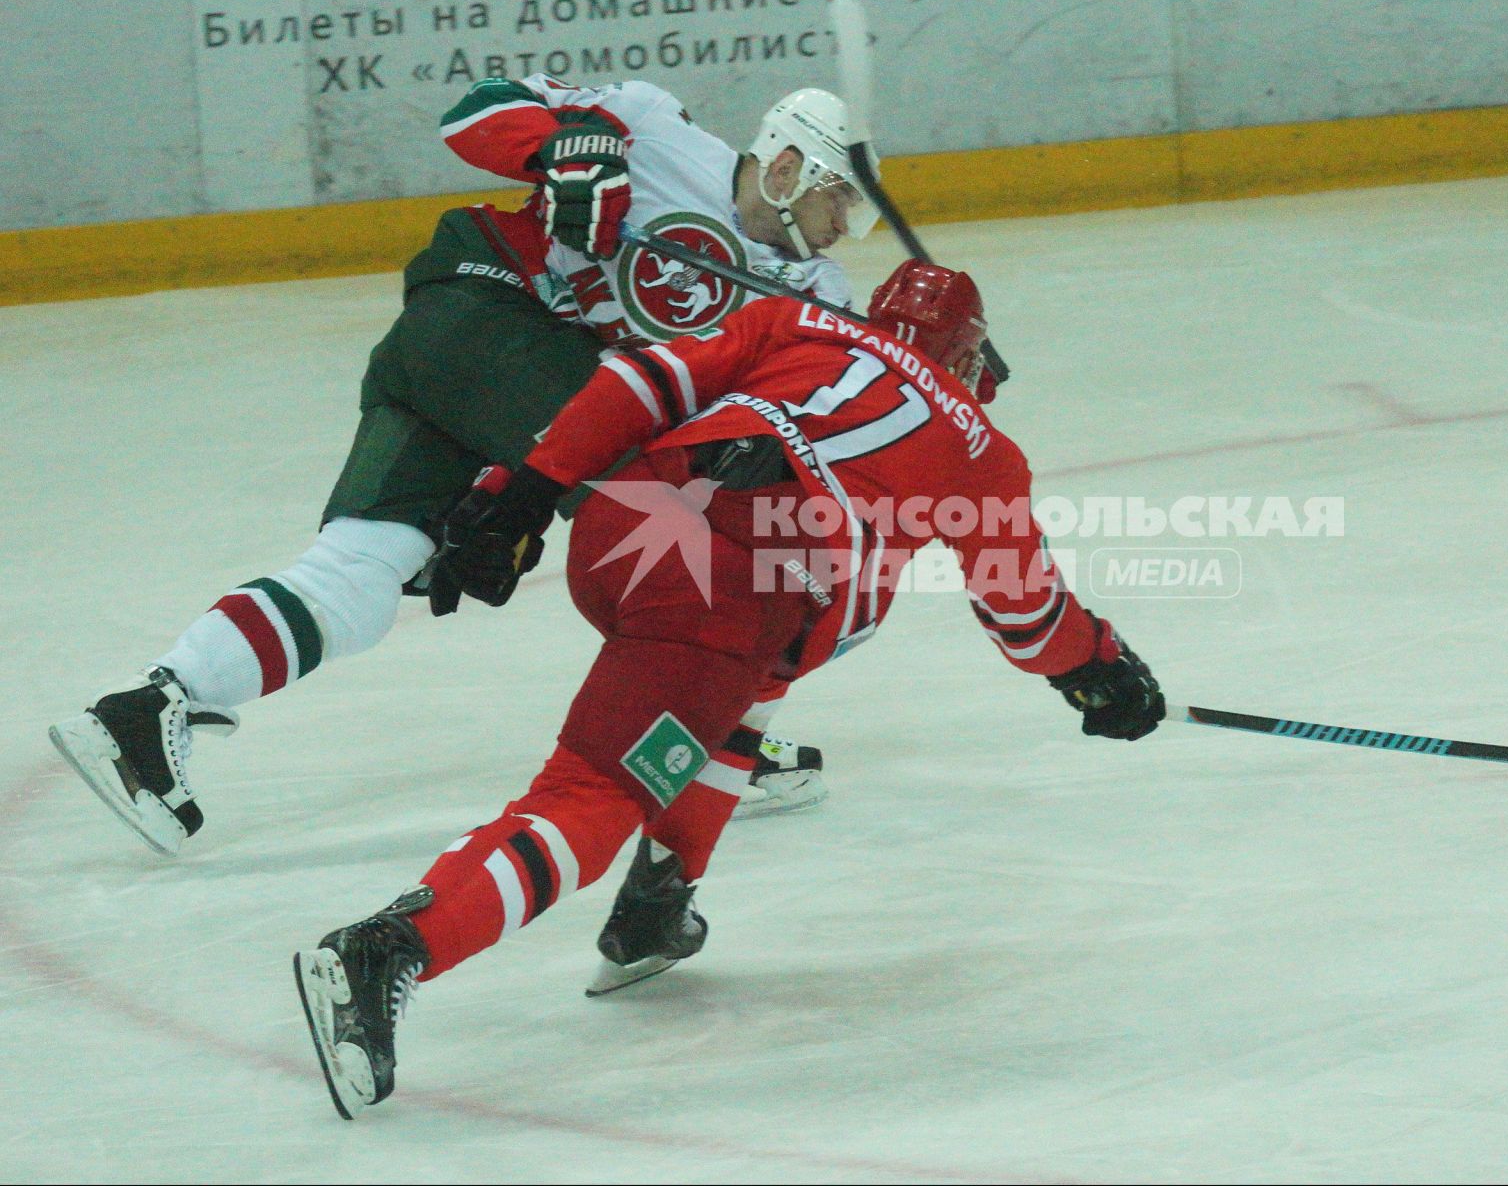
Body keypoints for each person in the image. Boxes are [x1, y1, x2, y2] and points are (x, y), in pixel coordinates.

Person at [291, 261, 1164, 1119]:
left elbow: (641, 377)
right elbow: (1027, 616)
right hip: (727, 583)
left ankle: (658, 904)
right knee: (596, 792)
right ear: (969, 361)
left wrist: (525, 490)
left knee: (740, 692)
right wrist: (1101, 671)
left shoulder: (796, 323)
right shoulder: (980, 446)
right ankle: (396, 946)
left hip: (625, 520)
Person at [48, 73, 881, 854]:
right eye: (838, 195)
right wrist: (562, 150)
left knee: (364, 573)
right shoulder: (655, 126)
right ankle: (705, 736)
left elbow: (804, 404)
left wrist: (918, 363)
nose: (844, 221)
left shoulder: (820, 293)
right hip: (487, 308)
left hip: (469, 368)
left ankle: (151, 703)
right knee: (699, 540)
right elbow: (477, 112)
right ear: (786, 166)